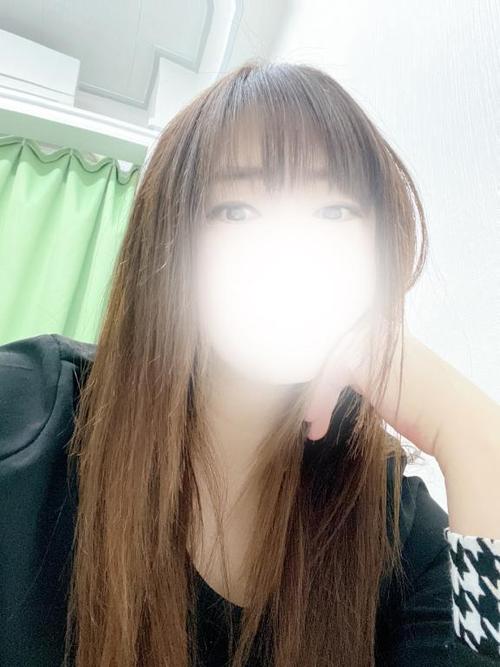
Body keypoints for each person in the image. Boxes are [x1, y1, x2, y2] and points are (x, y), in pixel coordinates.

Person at [1, 61, 499, 666]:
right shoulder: (29, 409)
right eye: (235, 210)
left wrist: (476, 436)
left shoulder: (397, 529)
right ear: (168, 245)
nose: (290, 251)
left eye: (335, 211)